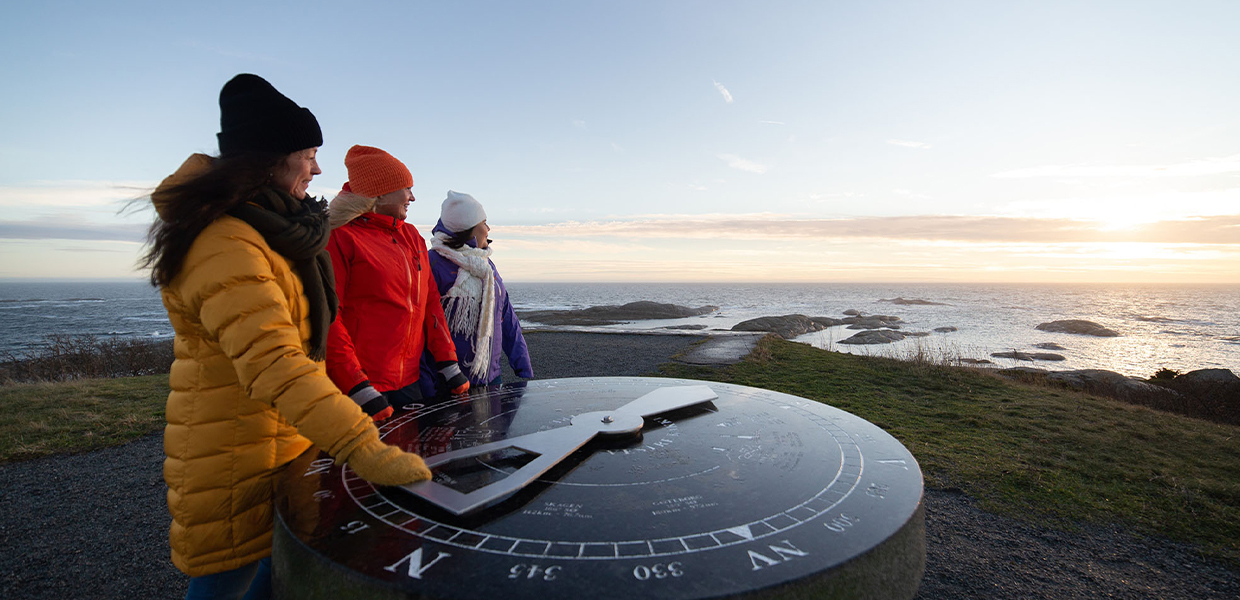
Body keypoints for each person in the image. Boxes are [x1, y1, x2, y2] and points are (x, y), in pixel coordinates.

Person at [142, 74, 432, 600]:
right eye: (308, 154)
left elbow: (306, 305)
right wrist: (363, 446)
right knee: (224, 580)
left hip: (281, 442)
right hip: (232, 451)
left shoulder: (275, 227)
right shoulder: (224, 241)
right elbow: (276, 361)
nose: (318, 169)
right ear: (271, 159)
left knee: (273, 576)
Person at [324, 146, 470, 420]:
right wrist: (357, 386)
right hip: (359, 388)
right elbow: (330, 316)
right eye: (406, 188)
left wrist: (448, 362)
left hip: (408, 383)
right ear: (380, 192)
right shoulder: (340, 237)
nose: (412, 197)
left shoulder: (412, 236)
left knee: (410, 457)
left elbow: (429, 304)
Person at [421, 191, 533, 395]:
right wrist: (428, 387)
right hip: (447, 385)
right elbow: (419, 329)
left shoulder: (486, 266)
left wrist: (524, 368)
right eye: (484, 222)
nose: (488, 229)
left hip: (490, 377)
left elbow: (506, 318)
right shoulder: (433, 264)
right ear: (469, 229)